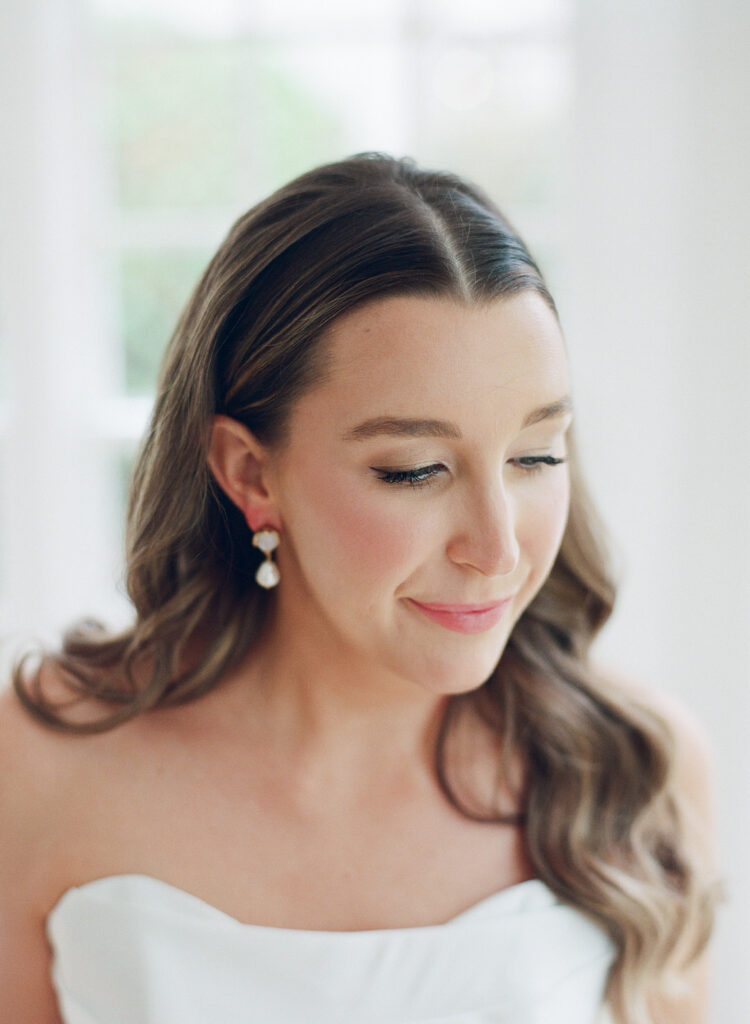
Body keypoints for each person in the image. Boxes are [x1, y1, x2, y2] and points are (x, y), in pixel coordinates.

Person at [0, 153, 721, 1024]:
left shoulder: (637, 771)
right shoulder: (38, 761)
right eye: (415, 471)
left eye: (536, 455)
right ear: (249, 471)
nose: (497, 550)